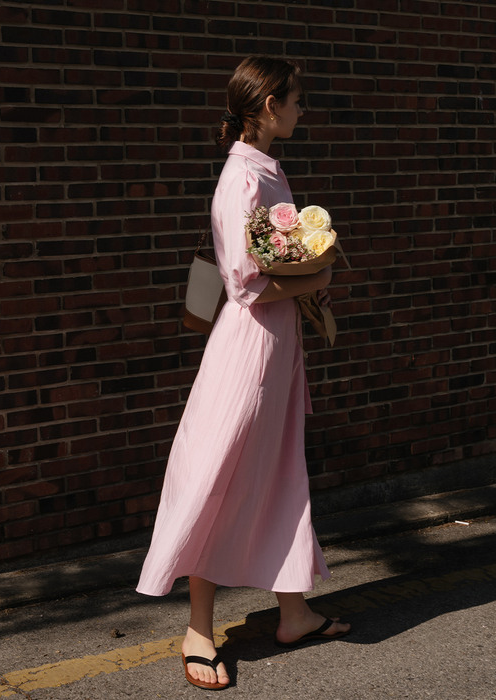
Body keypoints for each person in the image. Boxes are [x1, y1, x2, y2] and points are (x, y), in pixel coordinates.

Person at [136, 55, 351, 691]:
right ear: (268, 107)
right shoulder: (242, 178)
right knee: (218, 477)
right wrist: (319, 273)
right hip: (248, 353)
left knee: (283, 473)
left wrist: (309, 269)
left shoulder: (264, 168)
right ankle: (199, 630)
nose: (301, 109)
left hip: (276, 351)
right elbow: (244, 281)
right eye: (296, 99)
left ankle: (293, 610)